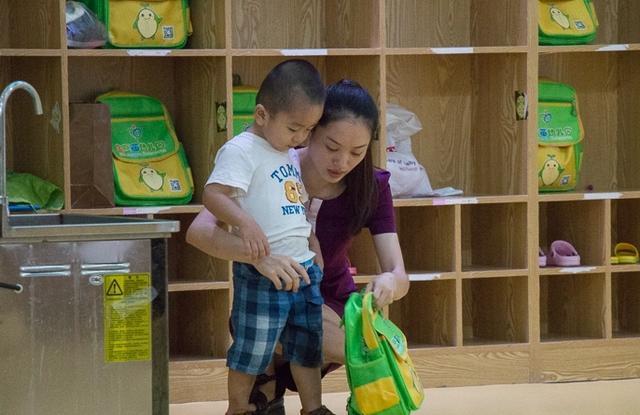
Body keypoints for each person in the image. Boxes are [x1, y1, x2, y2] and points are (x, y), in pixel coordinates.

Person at [188, 79, 410, 414]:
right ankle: (263, 386)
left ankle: (277, 384)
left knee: (367, 345)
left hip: (330, 297)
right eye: (331, 146)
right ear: (309, 131)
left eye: (357, 152)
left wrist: (389, 283)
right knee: (273, 318)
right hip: (268, 287)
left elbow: (398, 273)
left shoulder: (373, 186)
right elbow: (199, 231)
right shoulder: (274, 162)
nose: (342, 162)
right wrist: (259, 258)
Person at [202, 59, 335, 415]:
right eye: (295, 128)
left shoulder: (286, 152)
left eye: (308, 129)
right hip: (264, 276)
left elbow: (295, 206)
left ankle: (313, 408)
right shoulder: (241, 150)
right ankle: (239, 408)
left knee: (308, 348)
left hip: (304, 269)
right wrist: (245, 223)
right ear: (262, 115)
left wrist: (313, 242)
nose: (302, 138)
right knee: (252, 351)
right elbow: (213, 195)